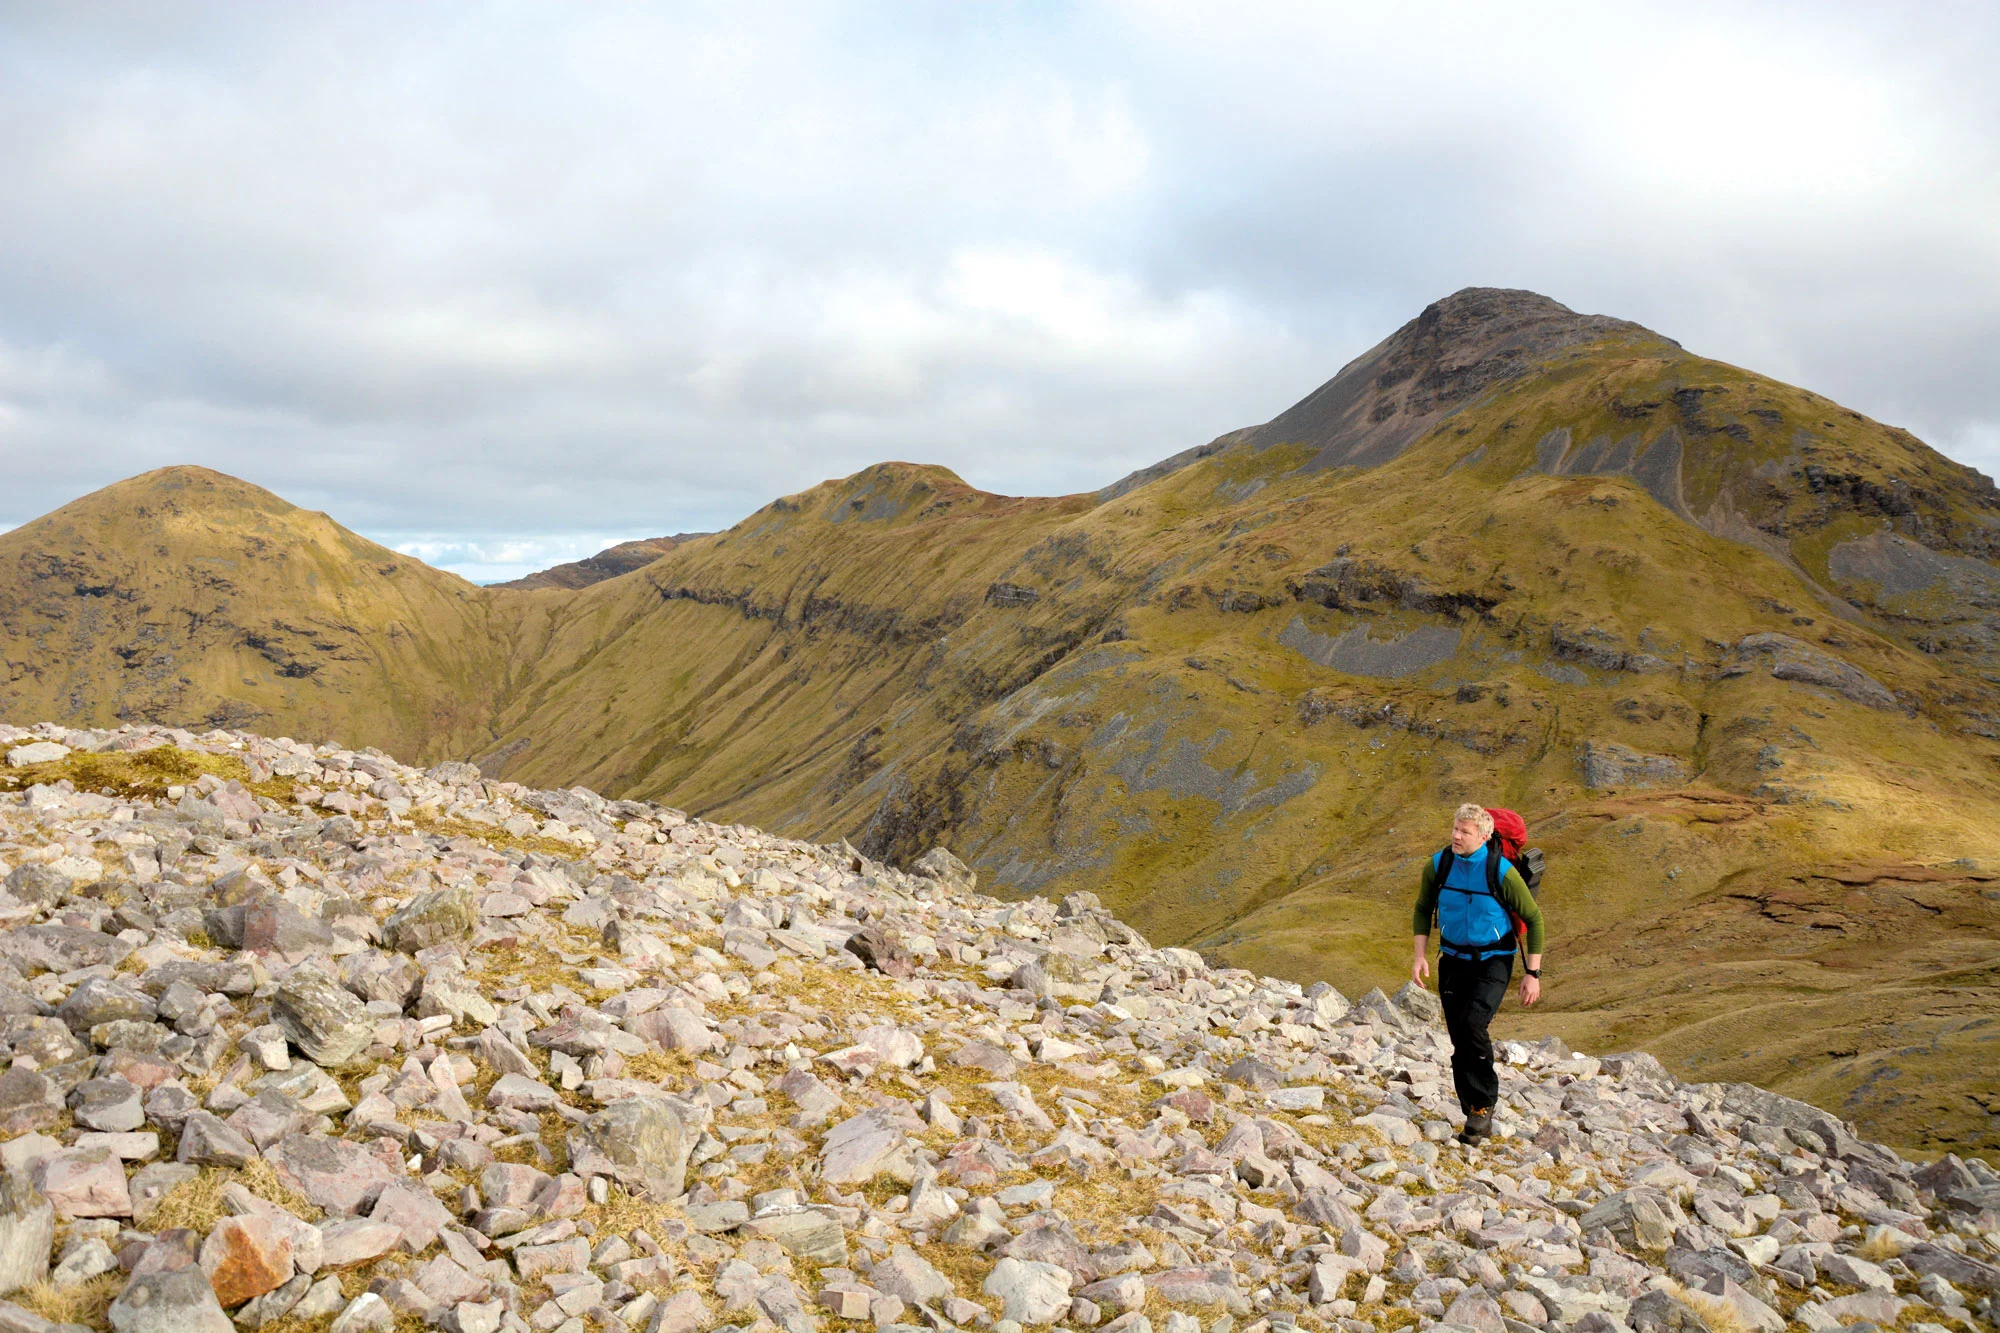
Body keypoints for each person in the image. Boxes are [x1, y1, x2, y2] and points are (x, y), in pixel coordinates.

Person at [1410, 803, 1544, 1145]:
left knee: (1473, 1023)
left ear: (1484, 837)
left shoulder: (1500, 871)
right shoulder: (1438, 865)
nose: (1456, 835)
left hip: (1494, 960)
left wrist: (1533, 973)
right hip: (1452, 958)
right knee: (1459, 1037)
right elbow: (1423, 908)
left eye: (1465, 831)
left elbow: (1535, 918)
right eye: (1455, 828)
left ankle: (1483, 1104)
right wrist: (1420, 956)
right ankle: (1471, 1107)